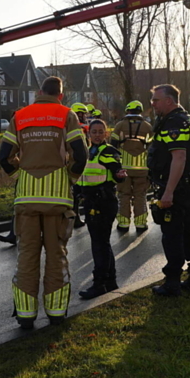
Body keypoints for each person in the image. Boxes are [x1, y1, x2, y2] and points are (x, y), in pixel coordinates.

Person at [0, 76, 88, 329]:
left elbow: (3, 156)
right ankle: (56, 313)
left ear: (39, 92)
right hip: (57, 200)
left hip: (26, 198)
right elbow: (80, 155)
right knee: (56, 254)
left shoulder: (20, 116)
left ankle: (26, 317)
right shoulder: (66, 114)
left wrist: (20, 174)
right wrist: (68, 177)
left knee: (26, 255)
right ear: (61, 94)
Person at [147, 84, 190, 298]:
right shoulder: (186, 118)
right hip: (189, 186)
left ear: (169, 100)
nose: (152, 104)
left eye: (156, 100)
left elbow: (178, 157)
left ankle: (172, 283)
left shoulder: (174, 123)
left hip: (178, 189)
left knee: (172, 236)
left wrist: (168, 191)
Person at [77, 119, 127, 299]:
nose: (97, 135)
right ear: (89, 134)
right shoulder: (87, 152)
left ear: (106, 134)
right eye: (94, 132)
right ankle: (111, 281)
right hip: (90, 202)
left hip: (104, 203)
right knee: (102, 243)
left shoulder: (109, 151)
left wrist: (120, 176)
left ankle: (99, 284)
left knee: (99, 244)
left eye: (100, 132)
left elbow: (117, 173)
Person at [111, 100, 154, 234]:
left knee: (124, 195)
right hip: (142, 168)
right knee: (140, 195)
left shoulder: (119, 125)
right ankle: (141, 224)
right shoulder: (148, 127)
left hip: (124, 168)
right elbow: (153, 148)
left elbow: (113, 146)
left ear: (128, 110)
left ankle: (123, 224)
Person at [70, 102, 90, 229]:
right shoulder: (79, 127)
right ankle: (75, 218)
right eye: (82, 114)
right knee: (78, 193)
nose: (84, 116)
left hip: (76, 163)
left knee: (76, 194)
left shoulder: (71, 126)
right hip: (79, 163)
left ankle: (75, 217)